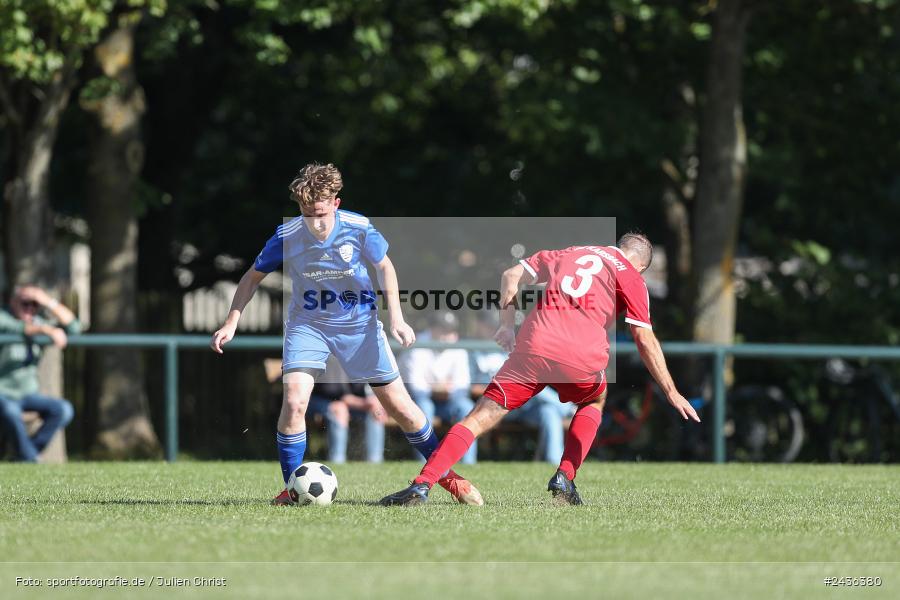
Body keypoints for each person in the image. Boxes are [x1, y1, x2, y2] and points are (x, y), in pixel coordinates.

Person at [210, 163, 482, 505]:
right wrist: (231, 321)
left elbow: (385, 266)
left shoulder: (359, 227)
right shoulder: (288, 234)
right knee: (294, 402)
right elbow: (252, 276)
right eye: (307, 213)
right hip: (308, 326)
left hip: (360, 327)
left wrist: (396, 318)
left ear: (335, 203)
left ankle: (449, 477)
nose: (315, 222)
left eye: (321, 213)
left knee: (403, 410)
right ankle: (293, 491)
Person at [380, 233, 700, 506]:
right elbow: (644, 338)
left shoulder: (571, 252)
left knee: (477, 418)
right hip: (580, 359)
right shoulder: (631, 277)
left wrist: (507, 326)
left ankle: (422, 484)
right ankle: (564, 477)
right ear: (640, 265)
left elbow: (509, 275)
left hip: (534, 347)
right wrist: (671, 391)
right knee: (593, 401)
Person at [469, 313, 574, 464]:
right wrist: (500, 387)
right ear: (479, 326)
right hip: (495, 405)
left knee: (548, 411)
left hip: (522, 406)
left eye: (494, 326)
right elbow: (471, 388)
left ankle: (554, 464)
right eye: (488, 326)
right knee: (529, 385)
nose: (492, 330)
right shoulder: (472, 350)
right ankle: (569, 410)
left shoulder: (505, 347)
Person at [0, 286, 79, 462]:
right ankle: (29, 458)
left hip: (27, 394)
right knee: (10, 411)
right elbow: (15, 327)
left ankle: (25, 456)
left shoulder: (39, 321)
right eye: (25, 303)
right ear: (13, 301)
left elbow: (74, 327)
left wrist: (47, 301)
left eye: (35, 305)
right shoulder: (4, 316)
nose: (30, 308)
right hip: (3, 393)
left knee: (64, 410)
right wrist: (45, 330)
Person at [399, 311, 476, 464]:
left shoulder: (457, 347)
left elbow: (462, 385)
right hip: (421, 400)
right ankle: (426, 463)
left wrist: (445, 390)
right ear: (433, 329)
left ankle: (468, 463)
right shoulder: (418, 343)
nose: (448, 334)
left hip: (449, 400)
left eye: (450, 330)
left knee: (467, 407)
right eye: (444, 329)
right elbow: (417, 387)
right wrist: (440, 388)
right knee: (424, 409)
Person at [308, 356, 386, 463]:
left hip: (348, 401)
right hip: (319, 399)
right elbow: (332, 391)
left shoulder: (360, 355)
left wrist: (372, 401)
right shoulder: (331, 356)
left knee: (376, 410)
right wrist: (361, 402)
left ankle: (376, 462)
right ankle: (337, 462)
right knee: (339, 409)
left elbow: (365, 390)